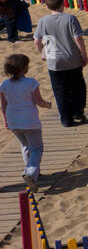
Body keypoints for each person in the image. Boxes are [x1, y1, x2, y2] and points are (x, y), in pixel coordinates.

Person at [33, 0, 88, 127]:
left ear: (47, 6)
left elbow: (37, 41)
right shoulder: (70, 18)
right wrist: (84, 54)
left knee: (60, 90)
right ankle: (77, 112)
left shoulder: (43, 21)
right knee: (78, 87)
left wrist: (43, 52)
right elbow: (78, 38)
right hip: (72, 59)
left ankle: (66, 119)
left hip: (54, 60)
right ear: (63, 4)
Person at [2, 53, 52, 191]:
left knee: (25, 146)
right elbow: (38, 101)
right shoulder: (31, 83)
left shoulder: (4, 85)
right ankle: (30, 172)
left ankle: (33, 171)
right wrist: (48, 105)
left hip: (13, 120)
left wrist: (5, 120)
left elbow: (4, 105)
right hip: (29, 120)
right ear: (25, 68)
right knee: (36, 148)